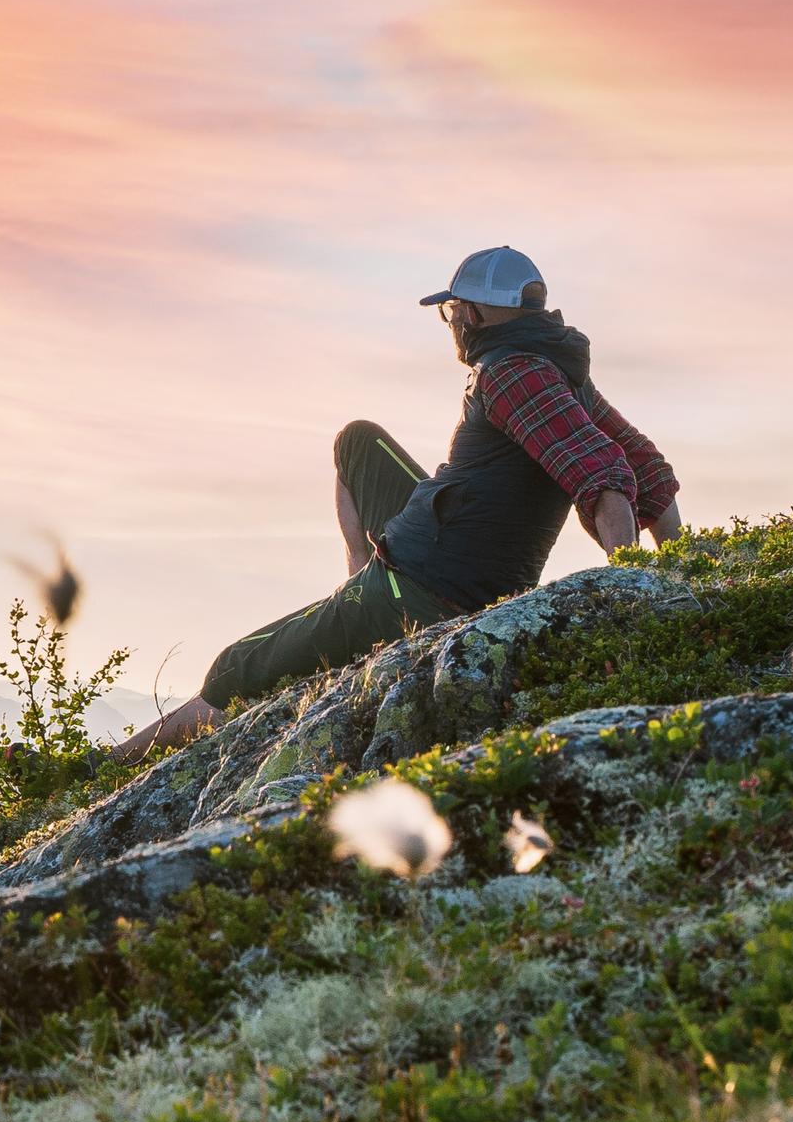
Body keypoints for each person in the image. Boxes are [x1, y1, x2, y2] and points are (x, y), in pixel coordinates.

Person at [108, 246, 680, 763]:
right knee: (358, 441)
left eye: (452, 309)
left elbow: (604, 479)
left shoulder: (512, 375)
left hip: (426, 586)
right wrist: (679, 568)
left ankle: (103, 769)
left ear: (475, 314)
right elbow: (644, 466)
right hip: (442, 555)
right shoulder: (555, 371)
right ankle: (356, 589)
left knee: (239, 666)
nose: (451, 321)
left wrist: (625, 589)